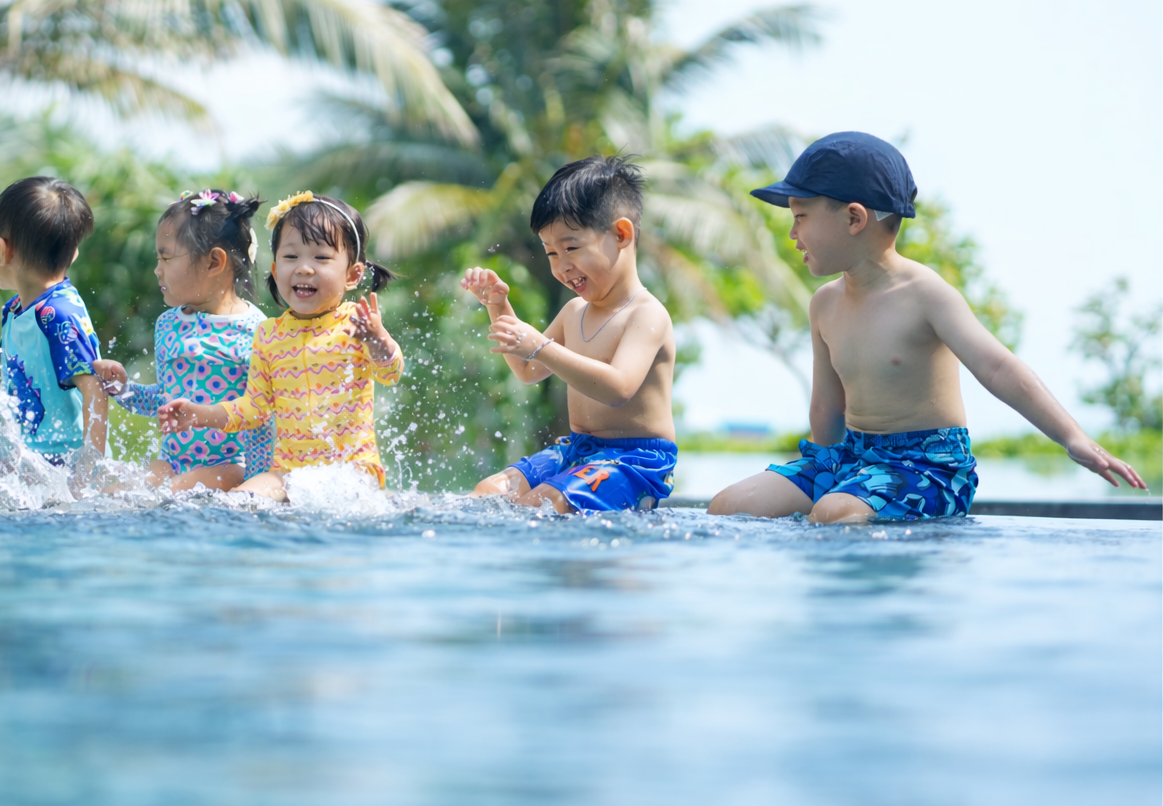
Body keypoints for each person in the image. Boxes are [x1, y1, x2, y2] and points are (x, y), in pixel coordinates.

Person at [708, 131, 1147, 524]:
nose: (791, 233)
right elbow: (827, 407)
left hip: (928, 465)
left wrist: (1073, 438)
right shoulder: (825, 304)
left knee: (834, 513)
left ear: (855, 219)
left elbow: (997, 368)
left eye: (800, 216)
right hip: (852, 456)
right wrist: (822, 475)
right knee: (730, 504)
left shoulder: (925, 295)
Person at [463, 156, 678, 515]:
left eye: (571, 247)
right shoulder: (573, 312)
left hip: (636, 460)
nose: (561, 266)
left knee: (538, 505)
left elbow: (618, 388)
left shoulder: (646, 314)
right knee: (488, 492)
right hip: (578, 449)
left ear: (621, 234)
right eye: (551, 253)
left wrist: (542, 347)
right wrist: (498, 306)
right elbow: (527, 370)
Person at [157, 191, 402, 502]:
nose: (303, 268)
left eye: (321, 258)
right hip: (288, 473)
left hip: (350, 471)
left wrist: (380, 342)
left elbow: (390, 372)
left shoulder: (357, 324)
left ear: (353, 275)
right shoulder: (269, 335)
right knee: (238, 503)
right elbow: (254, 409)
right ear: (275, 270)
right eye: (291, 257)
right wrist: (202, 415)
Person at [91, 190, 274, 493]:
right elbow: (164, 402)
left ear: (214, 262)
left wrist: (257, 483)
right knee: (116, 490)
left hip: (231, 467)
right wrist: (124, 391)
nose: (157, 269)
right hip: (173, 462)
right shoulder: (168, 325)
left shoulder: (257, 332)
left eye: (166, 257)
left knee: (166, 493)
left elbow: (260, 416)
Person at [0, 176, 107, 467]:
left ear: (4, 249)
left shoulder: (60, 315)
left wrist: (88, 471)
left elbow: (95, 390)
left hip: (66, 464)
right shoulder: (15, 310)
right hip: (33, 462)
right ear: (74, 252)